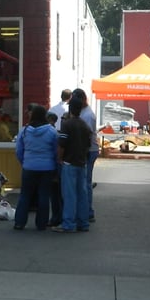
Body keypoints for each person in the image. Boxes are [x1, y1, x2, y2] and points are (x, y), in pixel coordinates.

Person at [13, 104, 59, 231]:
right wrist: (55, 165)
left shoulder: (25, 130)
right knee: (44, 195)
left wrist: (24, 162)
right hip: (47, 168)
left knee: (25, 195)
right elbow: (56, 151)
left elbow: (18, 150)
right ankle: (41, 223)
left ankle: (19, 222)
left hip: (29, 166)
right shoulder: (51, 131)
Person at [54, 97, 93, 233]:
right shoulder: (85, 126)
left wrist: (59, 158)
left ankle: (68, 223)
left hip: (69, 162)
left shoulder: (67, 124)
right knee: (82, 194)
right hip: (81, 163)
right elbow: (88, 145)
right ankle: (83, 223)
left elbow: (62, 144)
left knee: (69, 195)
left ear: (70, 109)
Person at [71, 88, 99, 225]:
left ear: (82, 99)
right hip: (88, 150)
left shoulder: (87, 115)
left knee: (85, 182)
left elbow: (85, 135)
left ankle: (88, 212)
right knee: (84, 182)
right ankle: (85, 212)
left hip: (88, 150)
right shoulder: (85, 113)